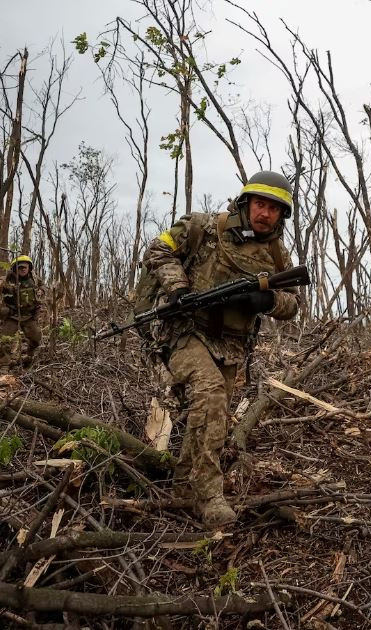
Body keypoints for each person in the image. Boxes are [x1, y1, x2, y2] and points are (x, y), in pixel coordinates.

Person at [142, 171, 300, 528]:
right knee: (211, 395)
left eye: (274, 209)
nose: (265, 214)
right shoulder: (203, 227)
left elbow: (293, 304)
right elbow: (159, 249)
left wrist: (267, 300)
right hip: (186, 331)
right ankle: (210, 495)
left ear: (282, 215)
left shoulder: (277, 254)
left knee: (213, 415)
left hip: (231, 346)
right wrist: (178, 286)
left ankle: (183, 489)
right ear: (246, 202)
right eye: (260, 204)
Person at [0, 255, 42, 369]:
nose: (23, 269)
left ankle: (29, 356)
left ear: (29, 267)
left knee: (36, 338)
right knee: (6, 341)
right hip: (12, 315)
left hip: (28, 315)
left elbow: (44, 288)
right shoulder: (7, 280)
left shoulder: (34, 279)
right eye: (20, 268)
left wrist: (41, 292)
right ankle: (4, 365)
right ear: (15, 269)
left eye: (25, 267)